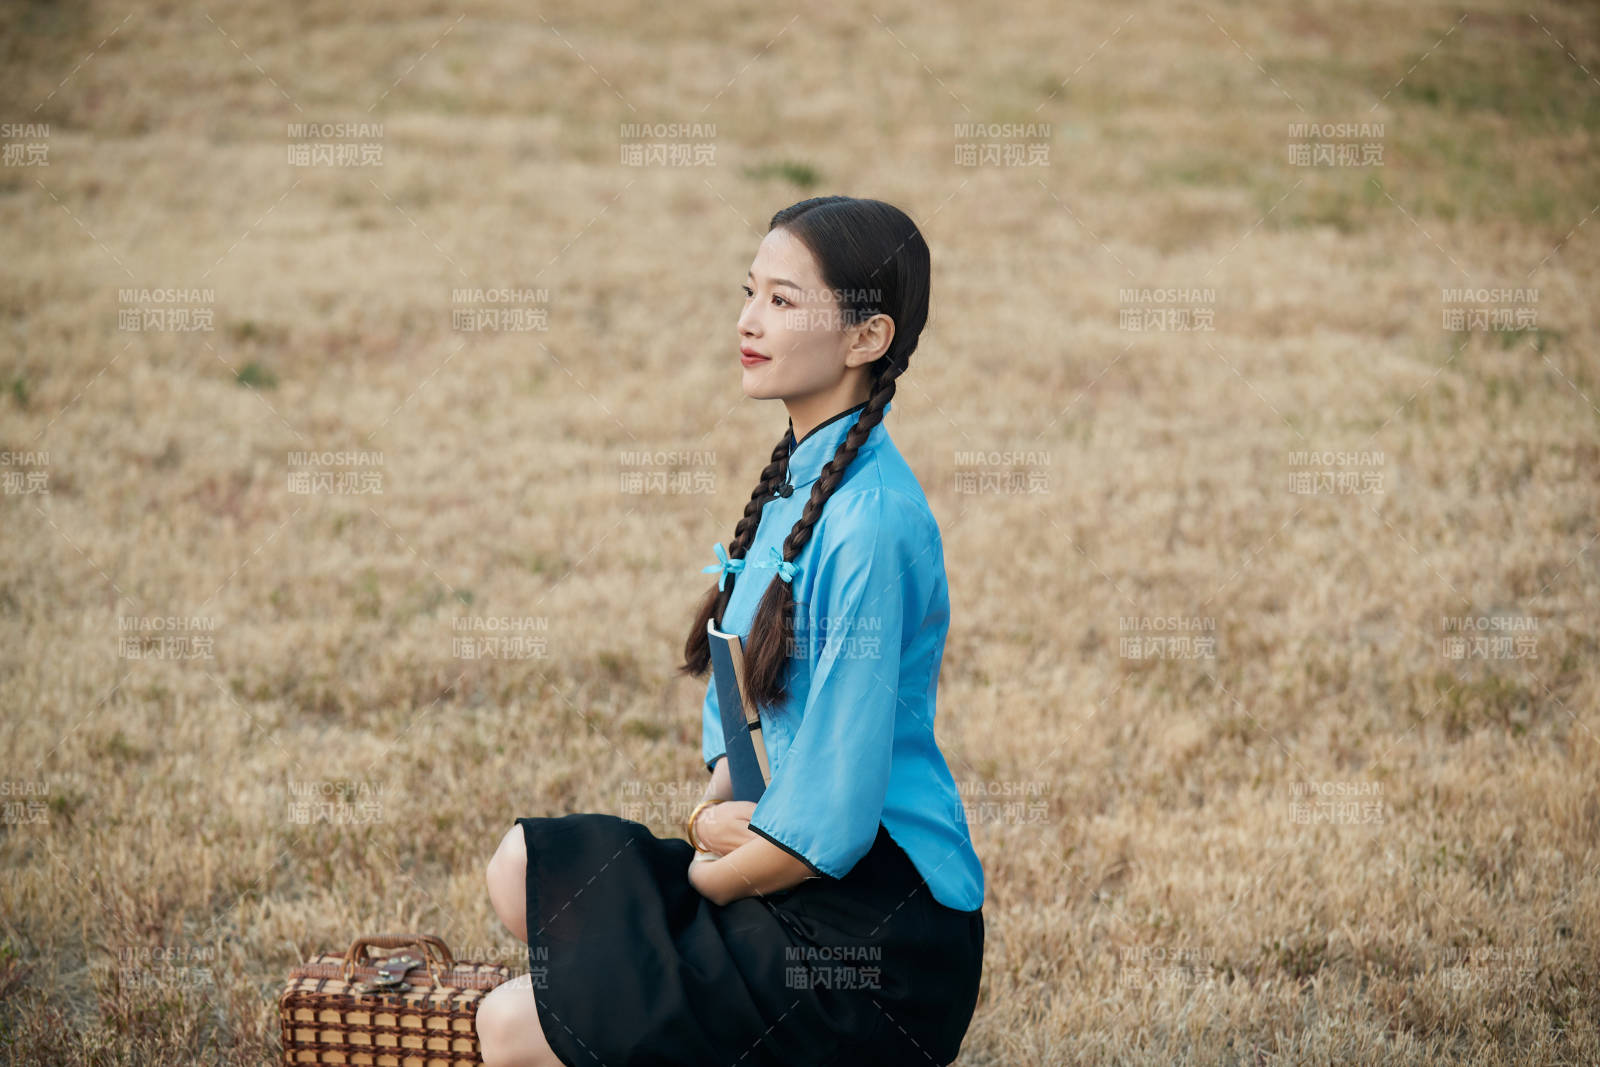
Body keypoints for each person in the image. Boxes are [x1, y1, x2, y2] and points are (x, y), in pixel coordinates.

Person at [477, 195, 984, 1067]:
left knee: (514, 1025)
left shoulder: (872, 520)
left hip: (871, 935)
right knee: (521, 867)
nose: (749, 322)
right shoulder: (801, 475)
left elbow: (832, 819)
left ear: (866, 338)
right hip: (774, 858)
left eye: (784, 302)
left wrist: (712, 869)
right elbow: (745, 722)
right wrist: (721, 800)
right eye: (749, 293)